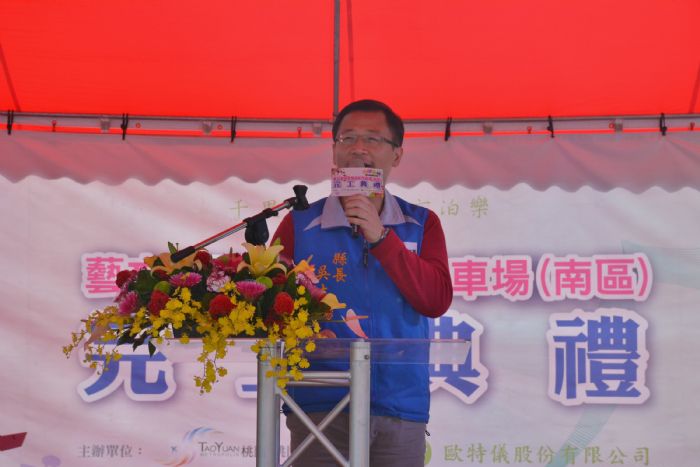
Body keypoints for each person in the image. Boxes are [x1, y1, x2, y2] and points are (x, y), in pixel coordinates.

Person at [271, 99, 452, 466]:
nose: (358, 148)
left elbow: (435, 300)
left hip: (398, 404)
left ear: (397, 155)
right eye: (348, 138)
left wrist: (381, 237)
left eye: (372, 138)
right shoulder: (299, 223)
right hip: (318, 404)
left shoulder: (421, 223)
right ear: (334, 150)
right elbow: (270, 304)